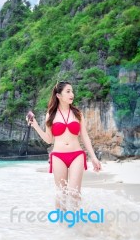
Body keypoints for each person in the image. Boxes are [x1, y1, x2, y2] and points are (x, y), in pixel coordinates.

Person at [26, 81, 101, 209]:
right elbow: (49, 139)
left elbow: (84, 136)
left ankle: (76, 225)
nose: (72, 94)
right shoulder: (51, 114)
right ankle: (61, 227)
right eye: (68, 91)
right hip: (58, 156)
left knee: (74, 193)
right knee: (61, 195)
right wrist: (35, 126)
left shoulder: (77, 113)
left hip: (77, 155)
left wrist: (93, 157)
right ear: (59, 95)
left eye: (72, 91)